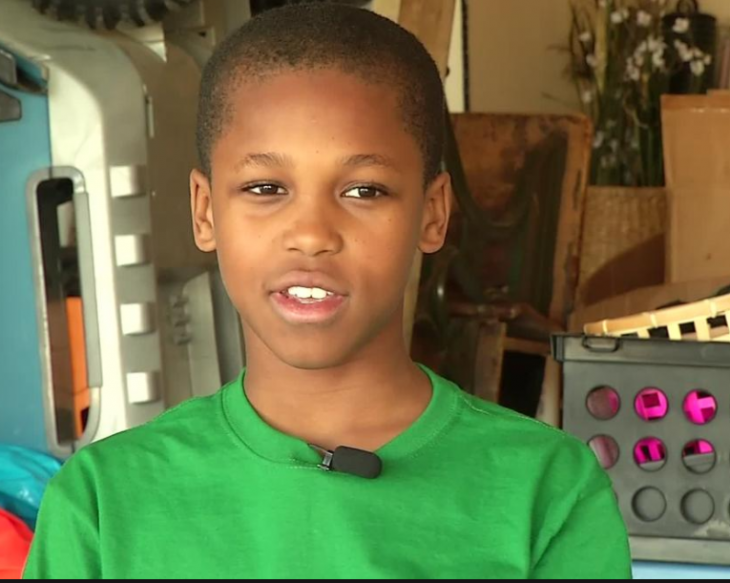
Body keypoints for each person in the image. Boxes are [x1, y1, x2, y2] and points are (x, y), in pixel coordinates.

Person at [24, 4, 631, 579]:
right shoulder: (104, 500)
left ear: (432, 214)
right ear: (206, 212)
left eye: (364, 190)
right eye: (265, 188)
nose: (311, 235)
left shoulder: (546, 490)